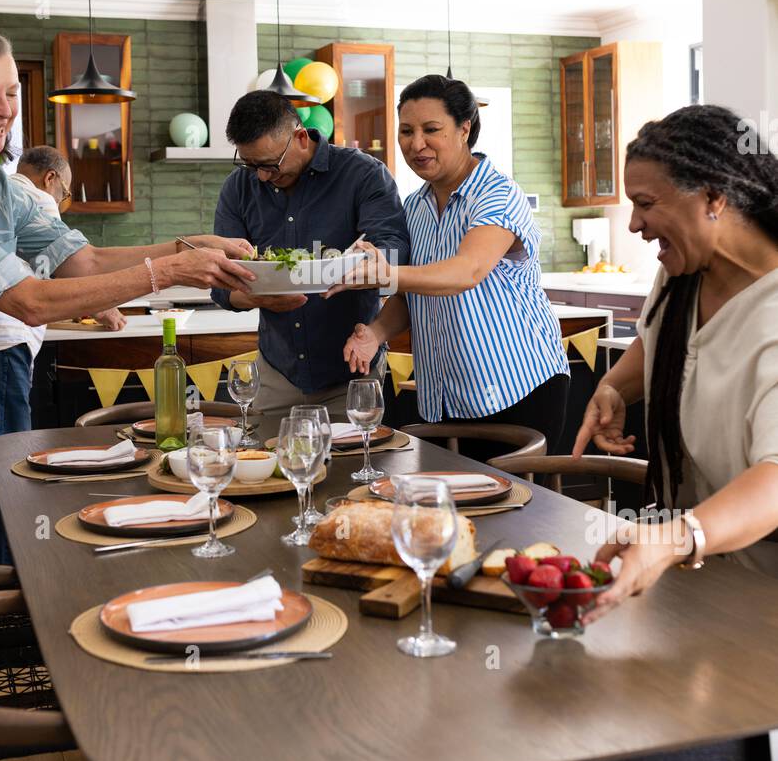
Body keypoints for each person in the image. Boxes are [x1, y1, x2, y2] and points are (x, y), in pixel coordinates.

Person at [0, 20, 256, 465]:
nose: (5, 109)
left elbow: (86, 261)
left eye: (11, 92)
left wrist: (185, 246)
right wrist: (168, 272)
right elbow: (29, 301)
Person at [569, 104, 778, 623]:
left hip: (762, 603)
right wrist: (616, 386)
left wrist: (676, 539)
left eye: (644, 204)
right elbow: (661, 342)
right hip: (698, 586)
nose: (635, 224)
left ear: (712, 196)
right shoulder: (682, 271)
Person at [337, 75, 570, 453]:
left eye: (431, 129)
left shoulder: (499, 194)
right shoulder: (414, 207)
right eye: (407, 131)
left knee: (514, 511)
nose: (416, 144)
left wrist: (387, 274)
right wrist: (375, 334)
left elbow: (468, 271)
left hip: (519, 389)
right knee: (451, 512)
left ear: (464, 129)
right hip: (446, 398)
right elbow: (411, 295)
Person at [0, 145, 125, 564]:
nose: (62, 203)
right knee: (8, 468)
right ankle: (7, 579)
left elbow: (34, 270)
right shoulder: (35, 198)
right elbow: (79, 265)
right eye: (66, 193)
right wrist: (102, 302)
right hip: (1, 349)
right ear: (51, 179)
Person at [210, 90, 410, 415]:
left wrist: (352, 267)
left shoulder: (364, 174)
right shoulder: (238, 187)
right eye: (251, 165)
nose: (261, 176)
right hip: (277, 372)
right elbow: (220, 282)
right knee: (269, 464)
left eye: (270, 165)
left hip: (352, 372)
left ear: (301, 137)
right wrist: (256, 297)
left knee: (355, 464)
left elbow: (392, 251)